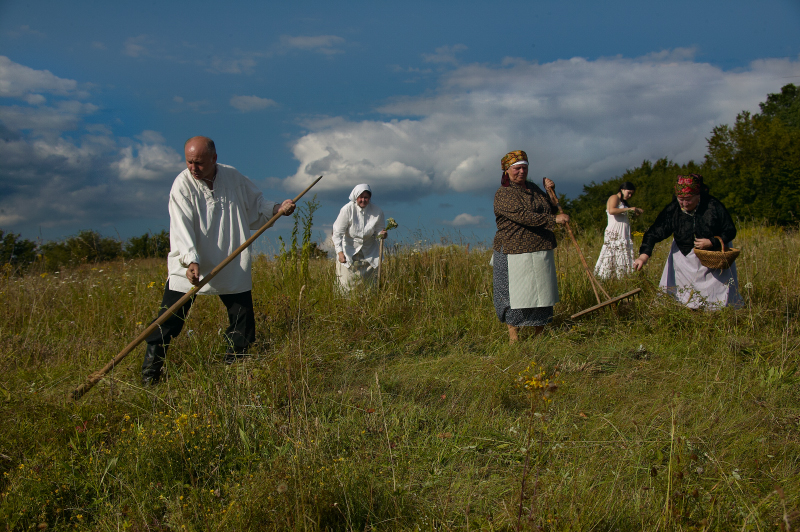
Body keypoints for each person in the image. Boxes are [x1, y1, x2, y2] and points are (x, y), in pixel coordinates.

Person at [141, 136, 296, 385]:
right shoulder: (182, 184)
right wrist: (191, 260)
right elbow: (181, 227)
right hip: (190, 262)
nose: (193, 168)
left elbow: (255, 203)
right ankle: (151, 373)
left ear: (214, 158)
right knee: (169, 317)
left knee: (242, 317)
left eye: (199, 163)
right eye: (189, 162)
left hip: (230, 257)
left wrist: (277, 208)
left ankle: (234, 369)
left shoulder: (232, 177)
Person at [493, 150, 570, 343]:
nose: (521, 171)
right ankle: (514, 337)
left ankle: (539, 335)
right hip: (513, 248)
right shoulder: (504, 194)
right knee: (514, 294)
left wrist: (551, 192)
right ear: (506, 170)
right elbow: (523, 216)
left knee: (542, 292)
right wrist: (554, 219)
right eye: (516, 168)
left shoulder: (534, 188)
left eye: (524, 168)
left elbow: (549, 209)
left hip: (540, 248)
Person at [633, 173, 741, 309]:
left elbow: (730, 230)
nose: (684, 203)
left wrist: (712, 242)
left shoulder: (713, 206)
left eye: (688, 199)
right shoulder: (673, 210)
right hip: (684, 258)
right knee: (683, 295)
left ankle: (717, 311)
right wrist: (643, 256)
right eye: (681, 199)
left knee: (715, 295)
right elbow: (654, 232)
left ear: (698, 195)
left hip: (713, 257)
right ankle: (686, 310)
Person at [332, 184, 386, 292]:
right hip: (349, 253)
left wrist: (382, 234)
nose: (363, 200)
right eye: (360, 197)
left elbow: (379, 231)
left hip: (369, 253)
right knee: (346, 285)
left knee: (369, 287)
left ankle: (368, 306)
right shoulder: (347, 210)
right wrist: (340, 253)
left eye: (366, 197)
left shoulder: (377, 211)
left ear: (369, 198)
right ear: (355, 197)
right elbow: (337, 233)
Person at [594, 182, 643, 279]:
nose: (630, 196)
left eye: (631, 194)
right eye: (628, 193)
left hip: (623, 233)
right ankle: (606, 278)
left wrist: (636, 212)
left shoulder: (624, 203)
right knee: (612, 254)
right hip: (614, 232)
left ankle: (621, 277)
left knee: (622, 255)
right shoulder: (614, 197)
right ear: (622, 190)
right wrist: (629, 209)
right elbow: (612, 210)